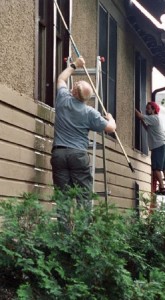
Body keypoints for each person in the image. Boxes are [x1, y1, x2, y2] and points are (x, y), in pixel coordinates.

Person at [51, 56, 116, 212]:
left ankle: (66, 234)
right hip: (78, 155)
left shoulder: (63, 99)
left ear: (73, 92)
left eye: (78, 84)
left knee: (63, 198)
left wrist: (75, 65)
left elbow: (61, 78)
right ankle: (82, 233)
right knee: (83, 197)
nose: (76, 82)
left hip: (59, 154)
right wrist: (110, 118)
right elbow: (111, 128)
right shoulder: (90, 113)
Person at [135, 101, 165, 195]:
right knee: (164, 168)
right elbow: (147, 128)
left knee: (156, 169)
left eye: (148, 108)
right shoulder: (156, 119)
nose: (146, 110)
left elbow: (139, 115)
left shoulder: (153, 118)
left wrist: (132, 106)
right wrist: (142, 119)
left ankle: (162, 188)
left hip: (158, 146)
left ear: (153, 110)